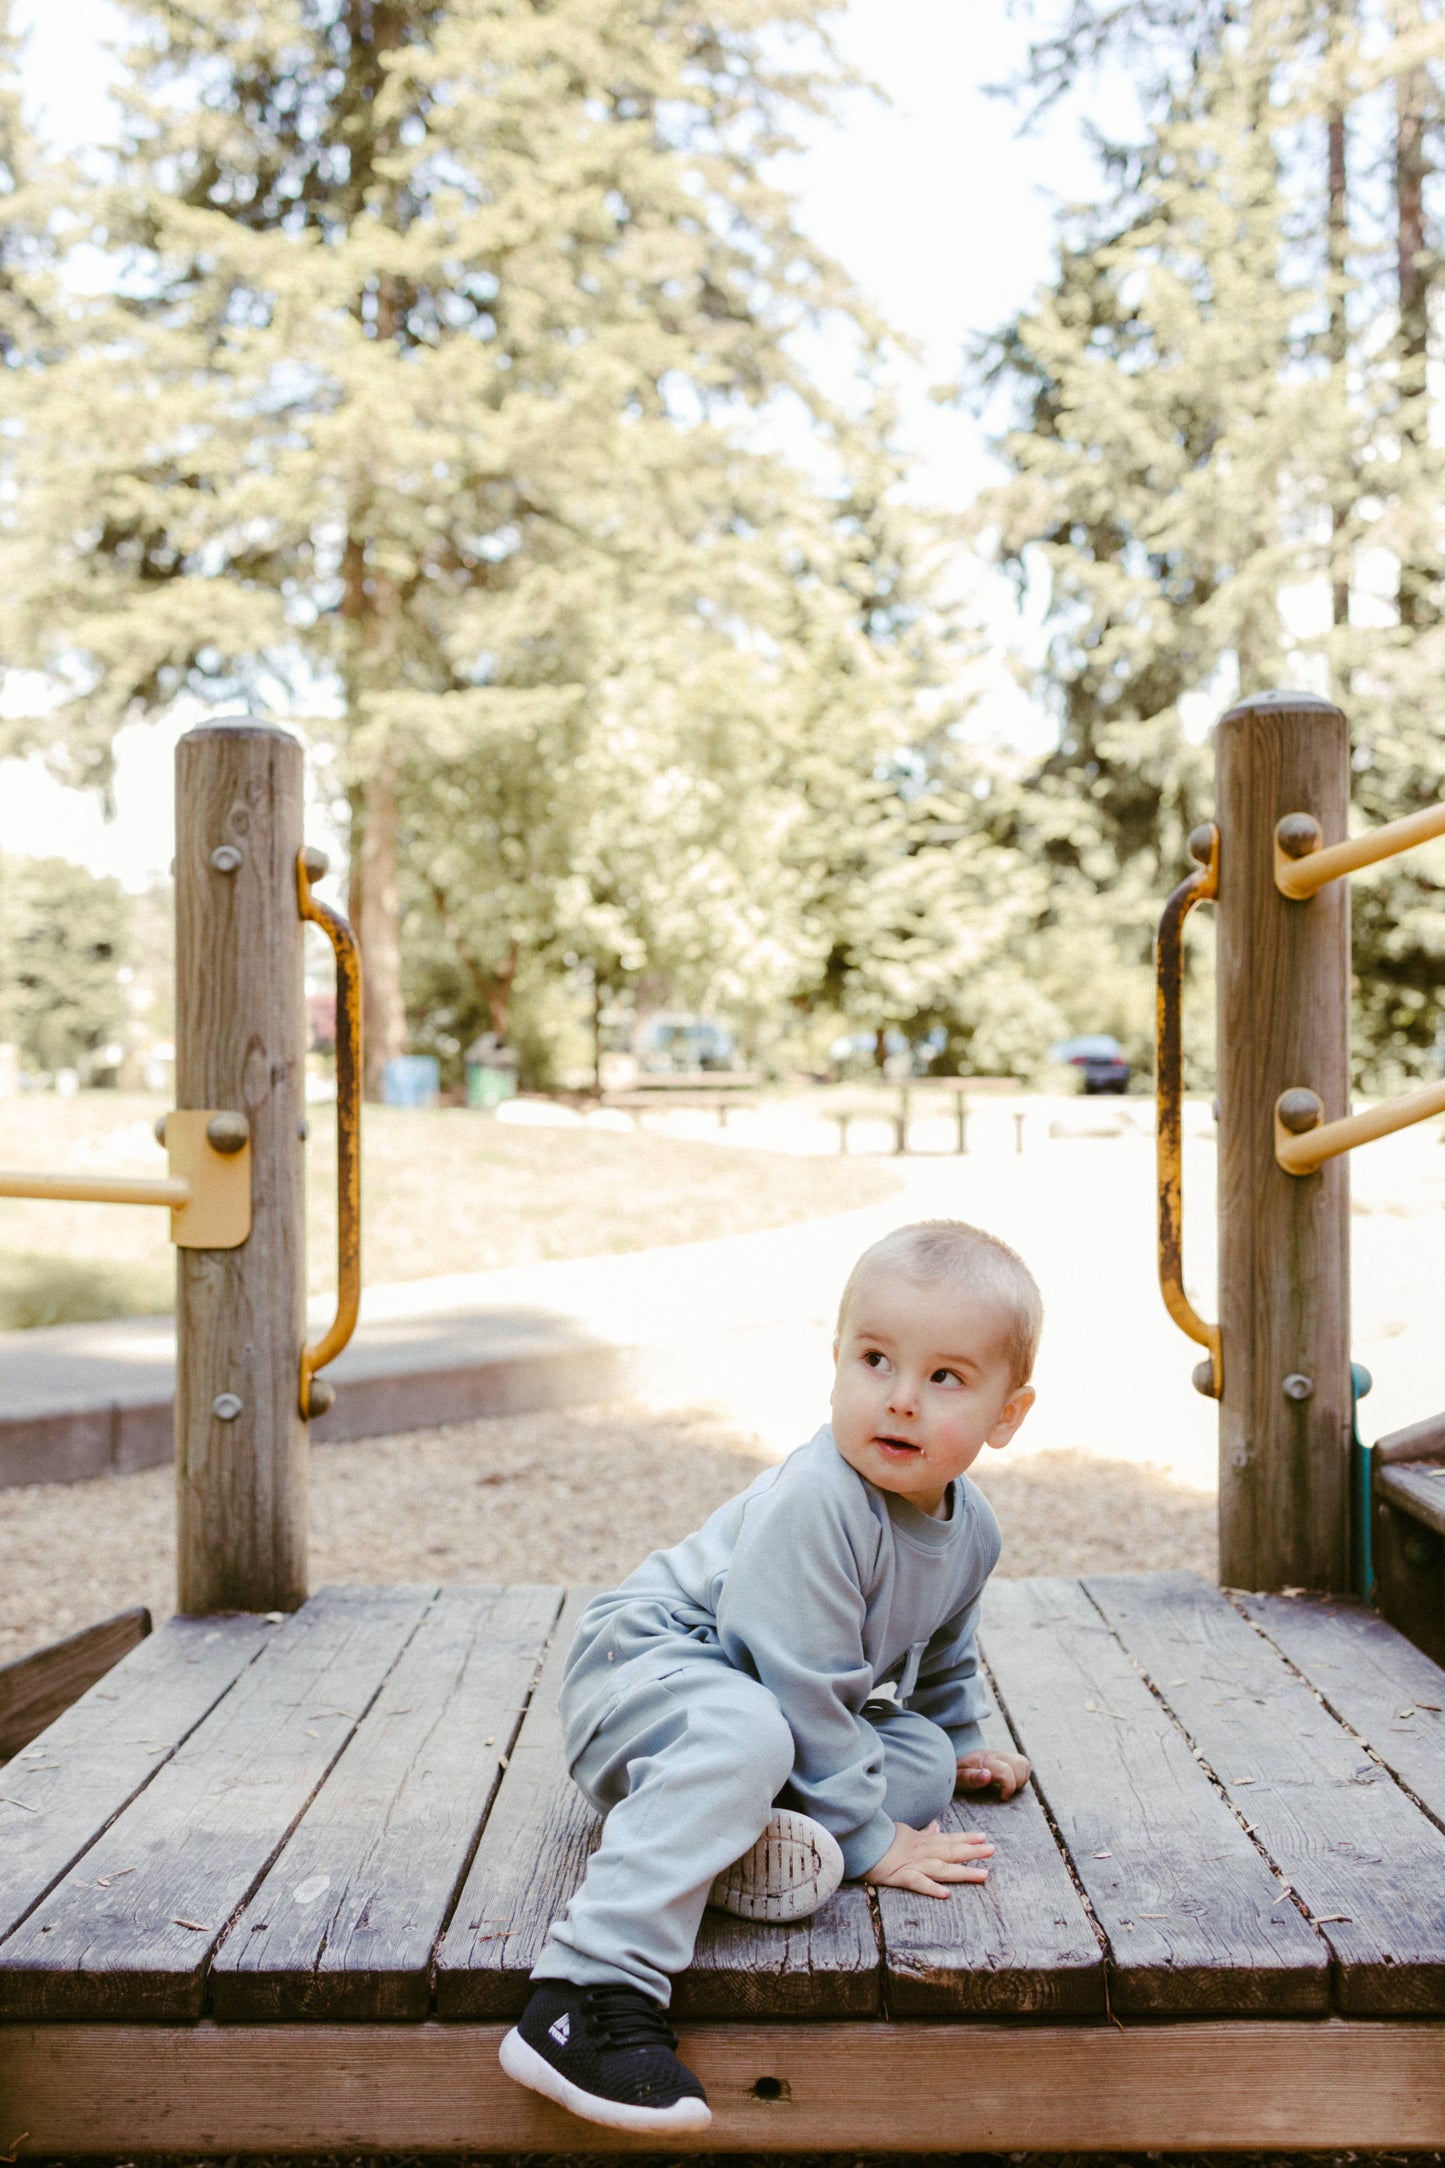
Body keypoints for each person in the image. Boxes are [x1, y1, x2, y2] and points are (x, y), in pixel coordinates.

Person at [499, 1218, 1041, 2133]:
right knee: (754, 1736)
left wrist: (958, 1740)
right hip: (651, 1675)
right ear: (835, 1363)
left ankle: (714, 1841)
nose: (900, 1400)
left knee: (915, 1765)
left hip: (755, 1716)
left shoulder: (971, 1528)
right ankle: (584, 1996)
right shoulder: (817, 1500)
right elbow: (796, 1689)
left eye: (944, 1377)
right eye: (875, 1360)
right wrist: (869, 1842)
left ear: (1007, 1415)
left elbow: (945, 1644)